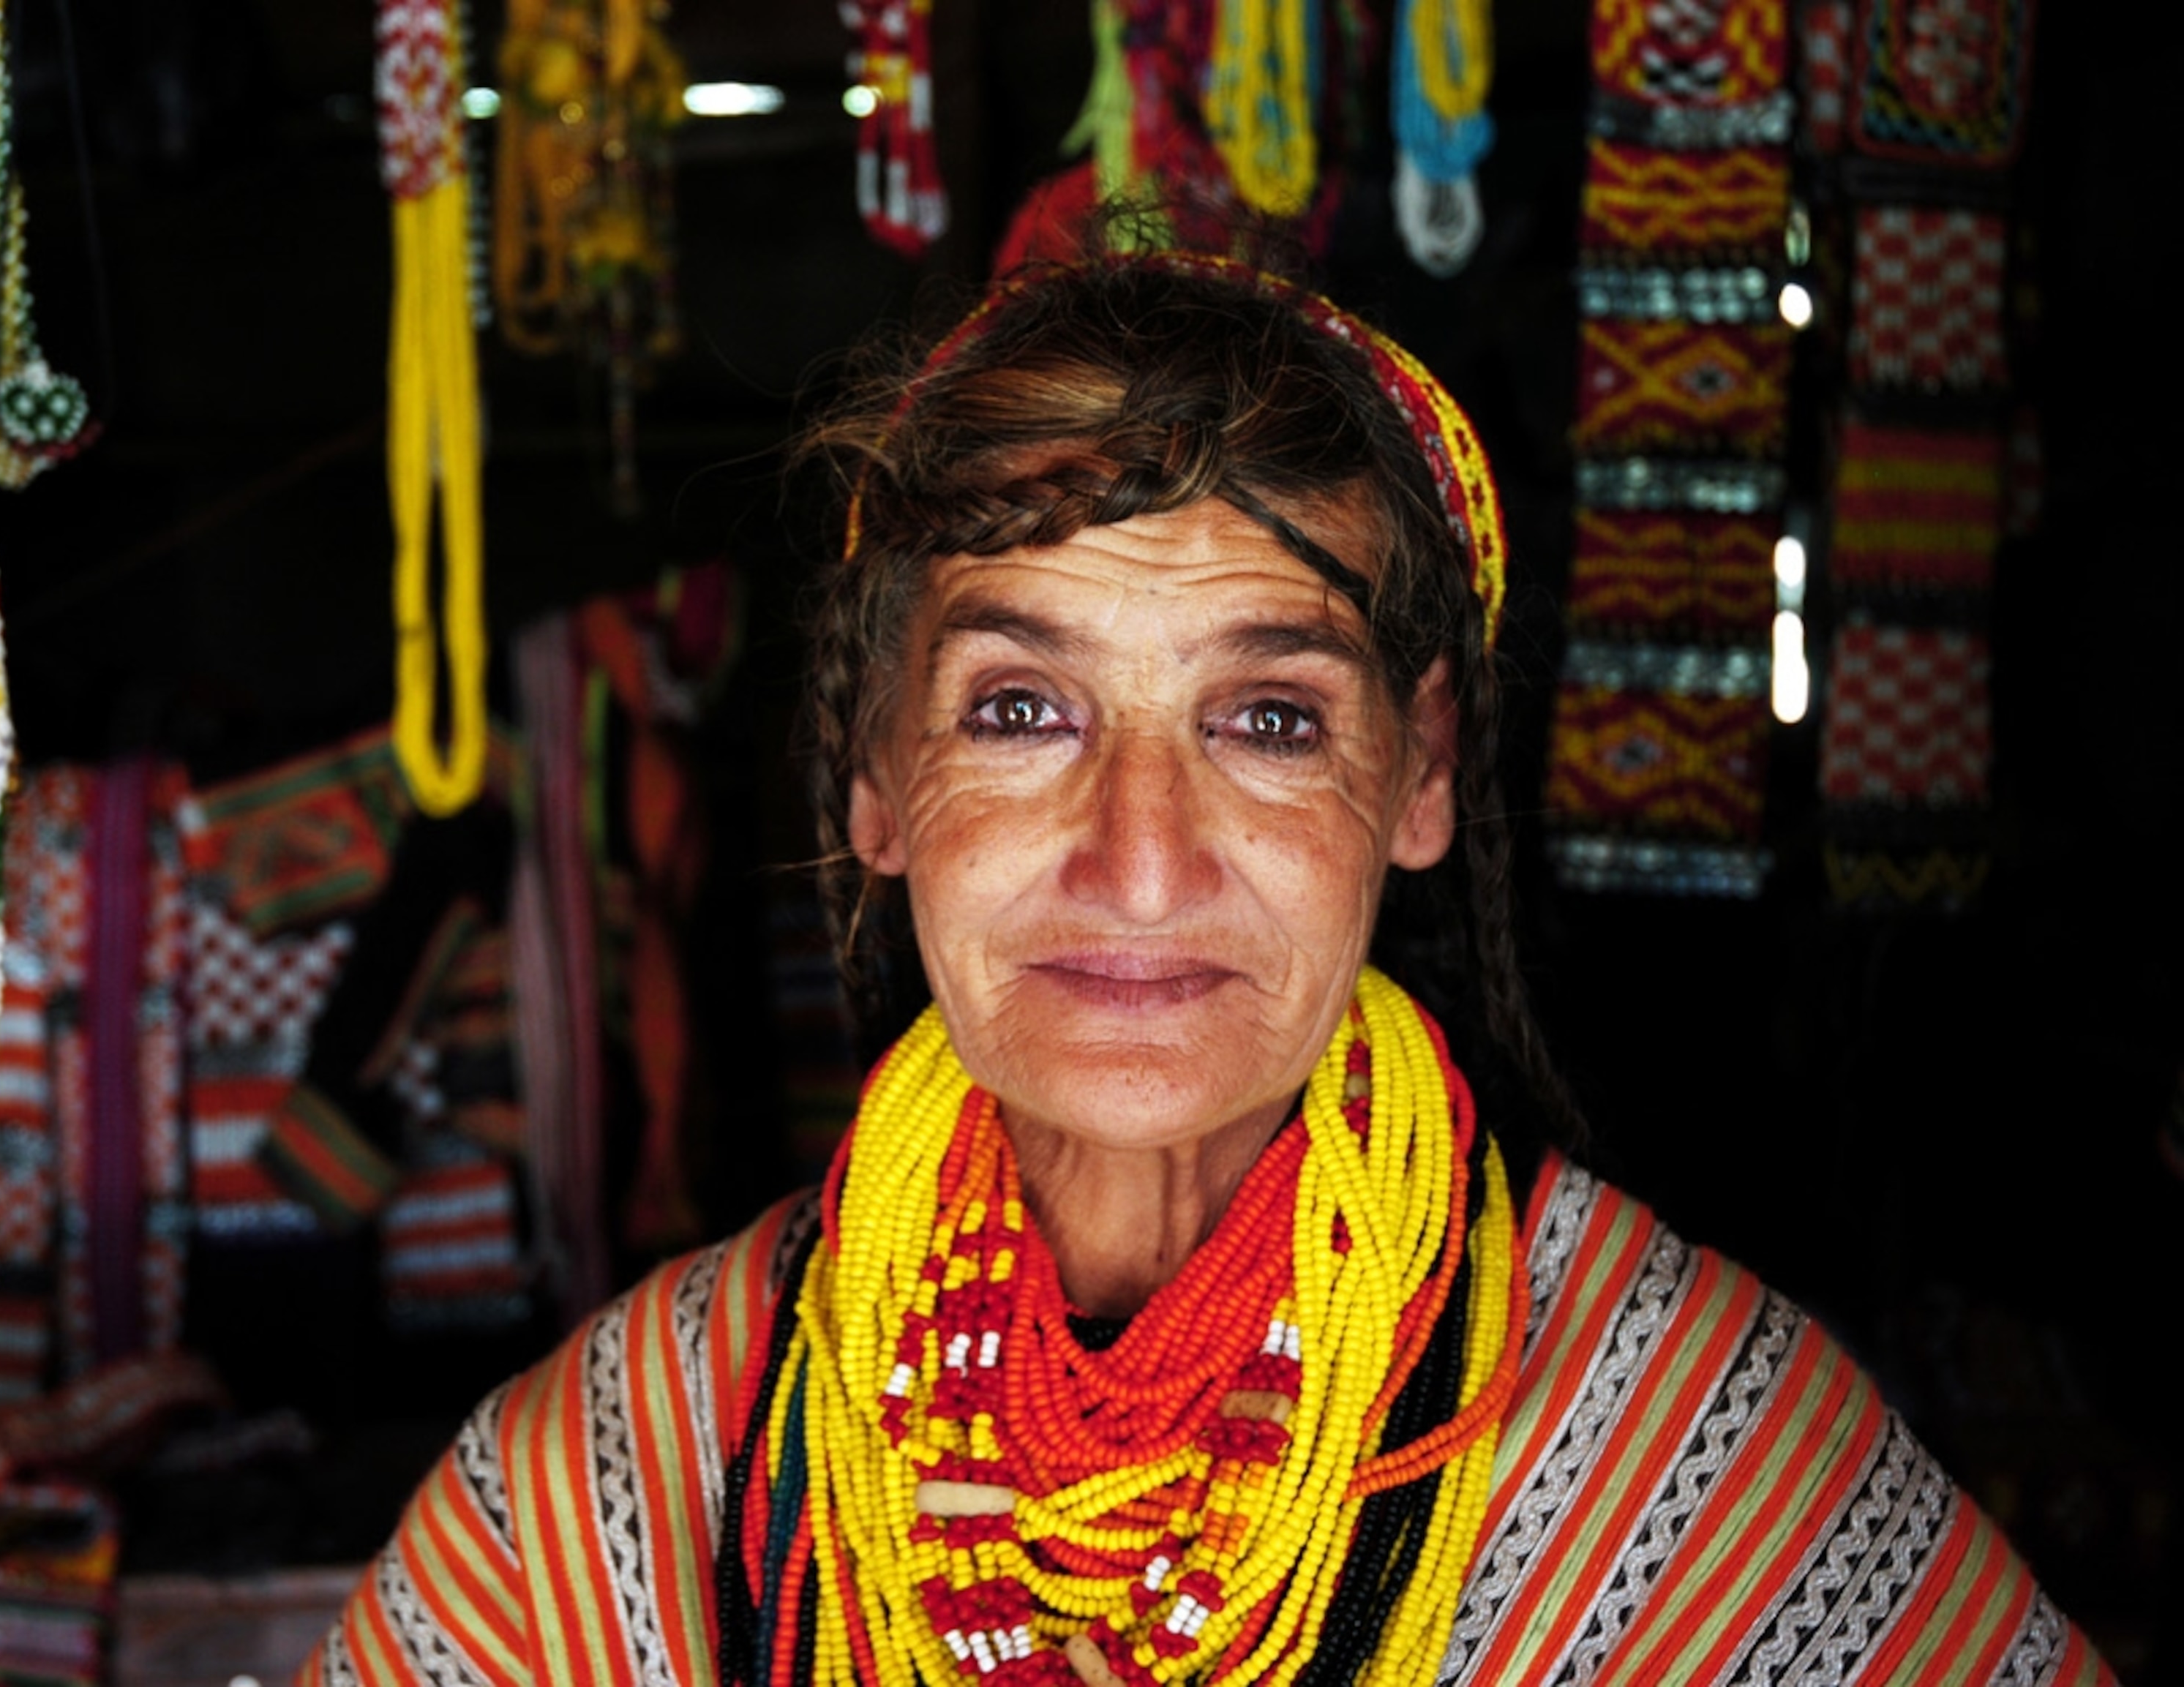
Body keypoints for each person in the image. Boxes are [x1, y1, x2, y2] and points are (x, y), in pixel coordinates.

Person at [300, 254, 2113, 1686]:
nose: (1143, 858)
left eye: (1264, 716)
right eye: (1021, 709)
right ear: (872, 781)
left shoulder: (1695, 1452)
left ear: (1414, 774)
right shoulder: (618, 1466)